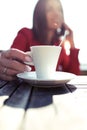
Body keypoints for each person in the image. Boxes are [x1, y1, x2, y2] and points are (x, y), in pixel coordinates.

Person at [0, 0, 80, 81]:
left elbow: (73, 75)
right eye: (50, 9)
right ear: (40, 14)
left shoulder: (58, 44)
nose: (57, 14)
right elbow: (9, 61)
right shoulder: (26, 35)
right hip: (25, 90)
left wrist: (72, 45)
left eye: (59, 10)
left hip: (50, 91)